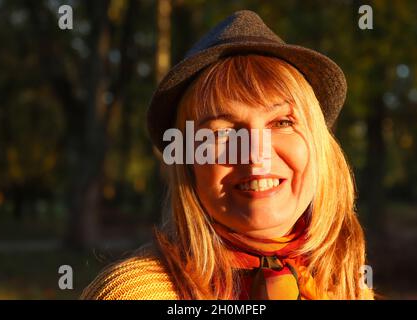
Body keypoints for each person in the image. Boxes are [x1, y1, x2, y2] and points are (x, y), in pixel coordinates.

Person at [81, 10, 374, 300]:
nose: (255, 155)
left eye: (281, 123)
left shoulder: (348, 288)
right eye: (222, 133)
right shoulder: (135, 294)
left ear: (319, 145)